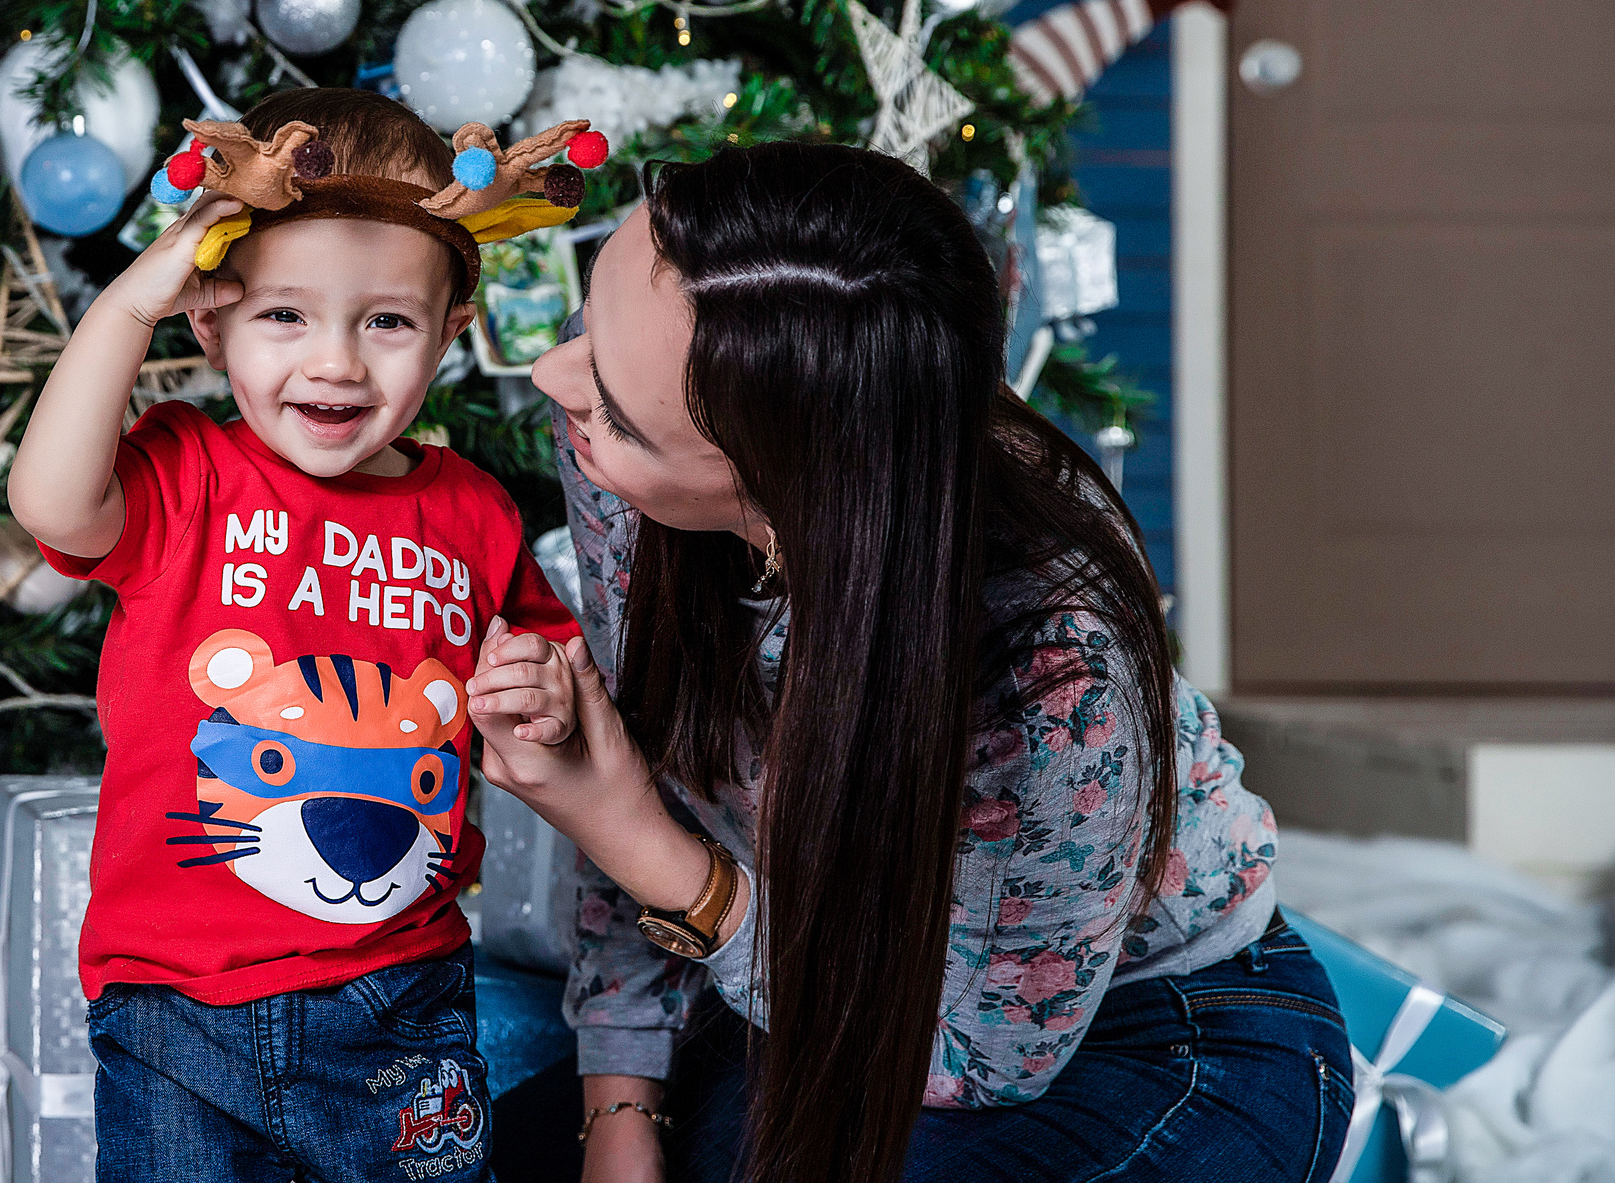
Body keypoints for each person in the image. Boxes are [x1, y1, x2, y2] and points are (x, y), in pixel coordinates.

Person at [469, 142, 1354, 1183]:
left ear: (786, 489)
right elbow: (666, 757)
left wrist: (624, 831)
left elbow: (978, 1056)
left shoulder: (1053, 666)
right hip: (801, 979)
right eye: (586, 325)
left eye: (612, 408)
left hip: (1135, 1031)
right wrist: (621, 1109)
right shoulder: (636, 455)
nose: (548, 377)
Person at [9, 87, 586, 1183]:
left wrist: (539, 690)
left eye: (386, 321)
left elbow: (543, 676)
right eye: (285, 315)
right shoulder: (187, 473)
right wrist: (128, 306)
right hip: (177, 1006)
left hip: (398, 995)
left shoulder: (472, 512)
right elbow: (48, 502)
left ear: (450, 331)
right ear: (207, 315)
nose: (335, 364)